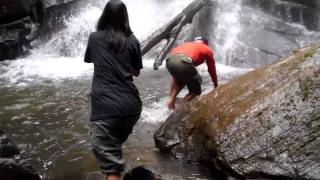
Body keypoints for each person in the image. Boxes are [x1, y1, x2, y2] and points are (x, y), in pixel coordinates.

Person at [84, 0, 143, 179]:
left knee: (112, 168)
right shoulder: (133, 41)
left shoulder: (94, 38)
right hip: (131, 108)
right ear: (125, 18)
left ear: (105, 16)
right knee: (113, 146)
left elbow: (92, 59)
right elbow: (136, 72)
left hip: (105, 109)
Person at [166, 37, 218, 110]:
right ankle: (179, 109)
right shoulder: (206, 48)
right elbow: (212, 69)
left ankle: (170, 100)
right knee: (195, 91)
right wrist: (215, 84)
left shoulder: (186, 44)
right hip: (183, 61)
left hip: (169, 60)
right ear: (206, 43)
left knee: (180, 78)